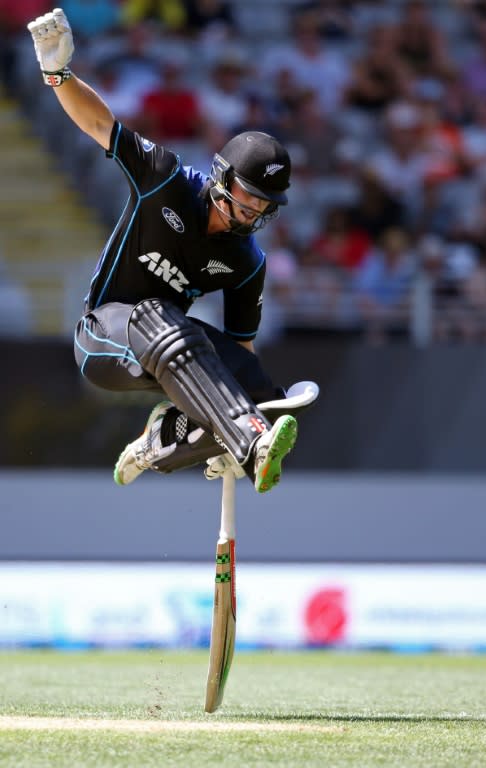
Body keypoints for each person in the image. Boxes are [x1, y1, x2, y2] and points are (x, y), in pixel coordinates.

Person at [27, 8, 310, 494]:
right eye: (249, 197)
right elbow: (101, 125)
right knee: (157, 314)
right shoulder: (165, 179)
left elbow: (238, 350)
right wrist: (58, 74)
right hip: (103, 338)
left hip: (168, 350)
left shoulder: (246, 263)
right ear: (223, 180)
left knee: (253, 383)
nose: (255, 213)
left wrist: (248, 396)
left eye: (266, 206)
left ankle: (165, 439)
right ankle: (246, 439)